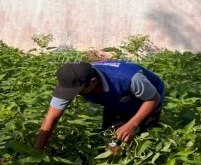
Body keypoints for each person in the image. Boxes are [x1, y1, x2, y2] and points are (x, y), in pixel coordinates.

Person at [34, 60, 164, 151]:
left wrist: (132, 124)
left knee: (139, 145)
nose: (73, 95)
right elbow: (51, 117)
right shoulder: (72, 81)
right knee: (112, 142)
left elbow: (153, 99)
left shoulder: (128, 78)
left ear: (93, 82)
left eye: (78, 92)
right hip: (116, 102)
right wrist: (36, 152)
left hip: (148, 100)